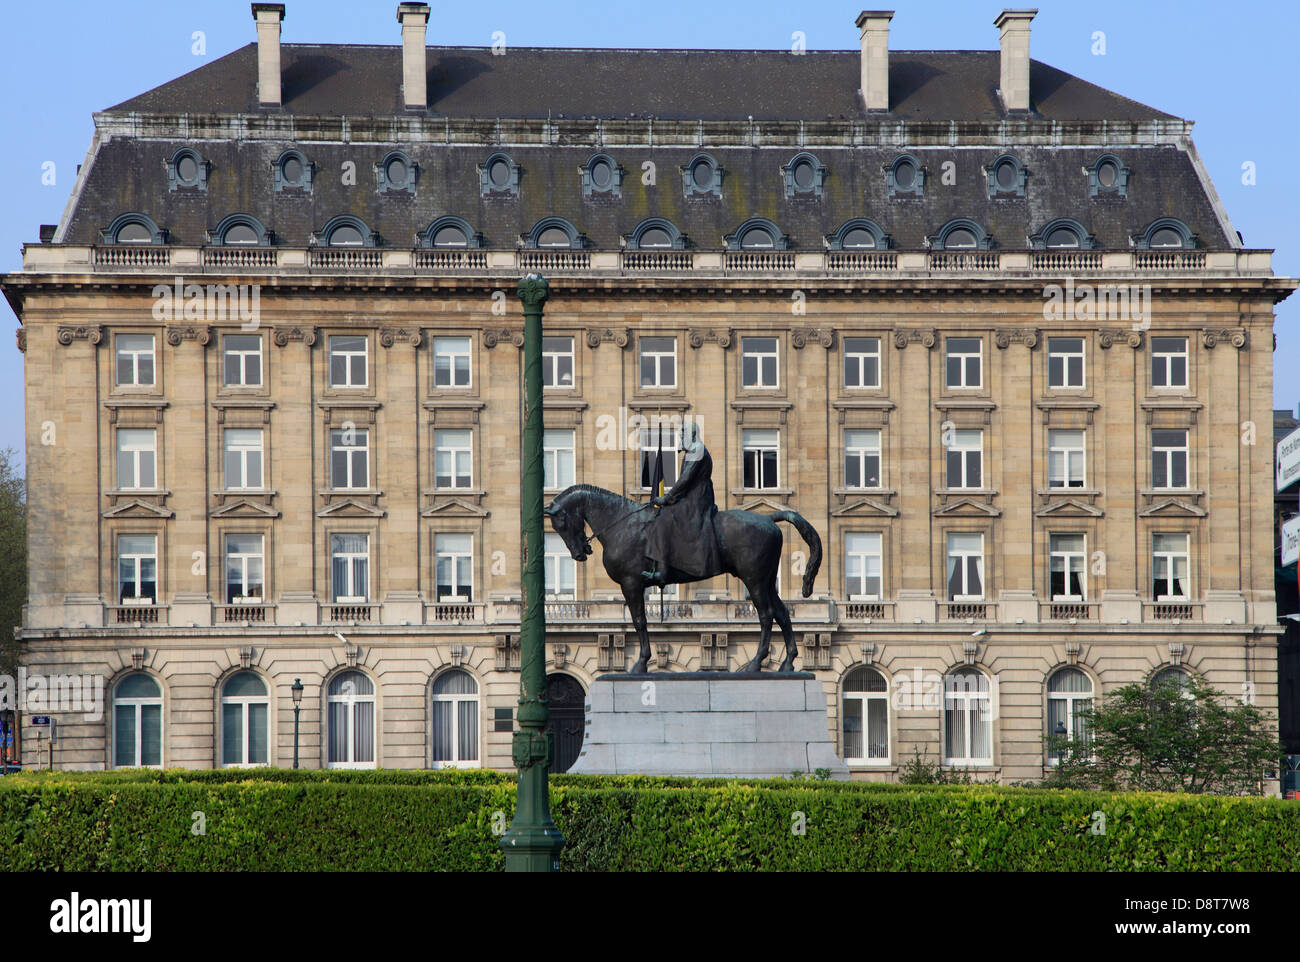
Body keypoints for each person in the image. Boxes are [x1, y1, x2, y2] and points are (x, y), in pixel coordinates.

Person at [642, 420, 722, 586]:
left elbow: (684, 480)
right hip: (690, 497)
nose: (680, 436)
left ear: (692, 434)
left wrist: (667, 498)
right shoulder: (692, 450)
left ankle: (663, 572)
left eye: (682, 434)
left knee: (663, 520)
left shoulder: (698, 450)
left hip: (696, 499)